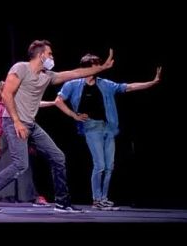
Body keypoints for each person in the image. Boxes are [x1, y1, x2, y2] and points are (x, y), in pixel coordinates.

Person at [0, 40, 114, 213]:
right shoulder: (20, 68)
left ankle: (62, 202)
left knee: (58, 157)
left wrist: (101, 68)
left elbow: (75, 73)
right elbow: (6, 94)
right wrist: (16, 121)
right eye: (50, 54)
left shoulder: (47, 75)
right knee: (20, 164)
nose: (52, 57)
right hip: (13, 122)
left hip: (30, 125)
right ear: (41, 55)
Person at [53, 54, 161, 210]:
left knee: (109, 166)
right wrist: (73, 115)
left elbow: (128, 86)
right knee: (100, 165)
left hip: (109, 128)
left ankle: (103, 199)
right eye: (96, 65)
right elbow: (58, 101)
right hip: (91, 127)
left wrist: (151, 83)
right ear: (87, 67)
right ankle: (97, 200)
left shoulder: (105, 84)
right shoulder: (73, 84)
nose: (99, 68)